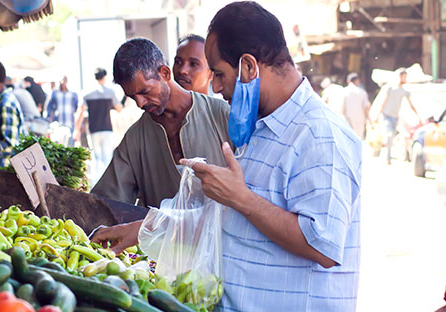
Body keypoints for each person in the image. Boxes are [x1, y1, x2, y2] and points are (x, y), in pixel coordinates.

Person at [92, 2, 361, 312]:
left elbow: (323, 244)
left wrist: (242, 198)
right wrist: (150, 228)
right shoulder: (260, 130)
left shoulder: (319, 134)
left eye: (219, 73)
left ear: (248, 66)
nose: (216, 87)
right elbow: (229, 223)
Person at [90, 38, 230, 208]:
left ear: (165, 73)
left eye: (145, 92)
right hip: (164, 236)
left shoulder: (222, 115)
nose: (140, 103)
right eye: (132, 97)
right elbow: (107, 202)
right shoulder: (135, 139)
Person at [74, 68, 122, 178]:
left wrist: (76, 130)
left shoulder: (87, 93)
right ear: (104, 77)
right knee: (107, 157)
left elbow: (81, 111)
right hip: (107, 129)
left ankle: (97, 182)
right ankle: (109, 180)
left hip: (93, 129)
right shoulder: (110, 93)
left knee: (96, 157)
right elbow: (119, 108)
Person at [376, 69, 422, 164]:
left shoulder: (404, 91)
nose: (405, 79)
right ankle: (387, 158)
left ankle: (386, 153)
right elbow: (383, 102)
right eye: (404, 76)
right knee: (389, 135)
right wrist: (378, 115)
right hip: (387, 115)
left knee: (392, 136)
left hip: (395, 117)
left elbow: (410, 104)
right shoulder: (391, 89)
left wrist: (418, 115)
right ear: (400, 76)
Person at [47, 76, 79, 146]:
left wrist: (78, 126)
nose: (62, 83)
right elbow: (50, 109)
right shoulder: (55, 94)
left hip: (70, 124)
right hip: (58, 125)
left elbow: (77, 110)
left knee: (70, 146)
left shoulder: (73, 94)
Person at [342, 72, 371, 139]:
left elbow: (341, 107)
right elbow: (366, 107)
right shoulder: (362, 92)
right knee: (359, 138)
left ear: (348, 81)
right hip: (360, 119)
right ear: (357, 81)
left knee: (347, 138)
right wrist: (369, 119)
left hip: (347, 119)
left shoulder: (343, 91)